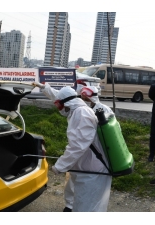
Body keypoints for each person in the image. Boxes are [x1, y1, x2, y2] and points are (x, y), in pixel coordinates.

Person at [33, 82, 112, 212]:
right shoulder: (78, 108)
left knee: (87, 209)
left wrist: (60, 166)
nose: (59, 108)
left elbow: (78, 146)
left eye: (59, 105)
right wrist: (45, 88)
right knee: (83, 204)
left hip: (93, 172)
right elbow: (61, 97)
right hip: (87, 167)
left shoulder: (81, 113)